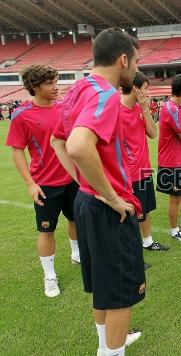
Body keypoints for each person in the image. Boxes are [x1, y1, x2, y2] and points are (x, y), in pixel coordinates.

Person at [50, 28, 144, 355]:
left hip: (87, 203)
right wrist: (112, 195)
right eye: (135, 62)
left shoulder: (78, 88)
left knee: (104, 289)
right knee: (121, 295)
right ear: (122, 59)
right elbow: (76, 145)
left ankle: (105, 345)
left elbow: (57, 141)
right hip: (108, 210)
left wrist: (86, 184)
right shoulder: (105, 94)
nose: (135, 69)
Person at [6, 64, 80, 298]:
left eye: (56, 81)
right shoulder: (22, 115)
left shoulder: (64, 107)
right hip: (46, 184)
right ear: (34, 87)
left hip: (74, 178)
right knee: (46, 231)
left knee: (76, 220)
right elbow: (17, 151)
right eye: (49, 83)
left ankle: (77, 253)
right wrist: (30, 183)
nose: (55, 87)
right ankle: (49, 277)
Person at [120, 71, 169, 252]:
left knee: (144, 209)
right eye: (146, 88)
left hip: (143, 169)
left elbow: (153, 134)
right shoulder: (116, 111)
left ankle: (147, 241)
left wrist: (146, 108)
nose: (148, 92)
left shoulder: (139, 108)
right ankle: (131, 250)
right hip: (127, 173)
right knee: (129, 213)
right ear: (135, 88)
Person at [156, 74, 181, 242]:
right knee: (175, 197)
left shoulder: (177, 107)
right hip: (171, 162)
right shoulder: (171, 108)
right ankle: (174, 230)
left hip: (178, 159)